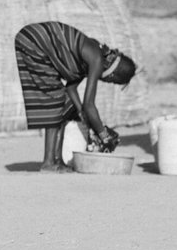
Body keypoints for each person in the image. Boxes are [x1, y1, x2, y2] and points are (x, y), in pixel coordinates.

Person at [13, 21, 137, 173]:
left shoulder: (94, 53)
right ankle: (48, 163)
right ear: (112, 74)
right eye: (112, 81)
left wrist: (82, 114)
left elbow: (71, 89)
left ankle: (57, 160)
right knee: (55, 99)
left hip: (32, 39)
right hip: (35, 41)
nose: (106, 81)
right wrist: (103, 134)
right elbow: (89, 104)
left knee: (65, 103)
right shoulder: (97, 60)